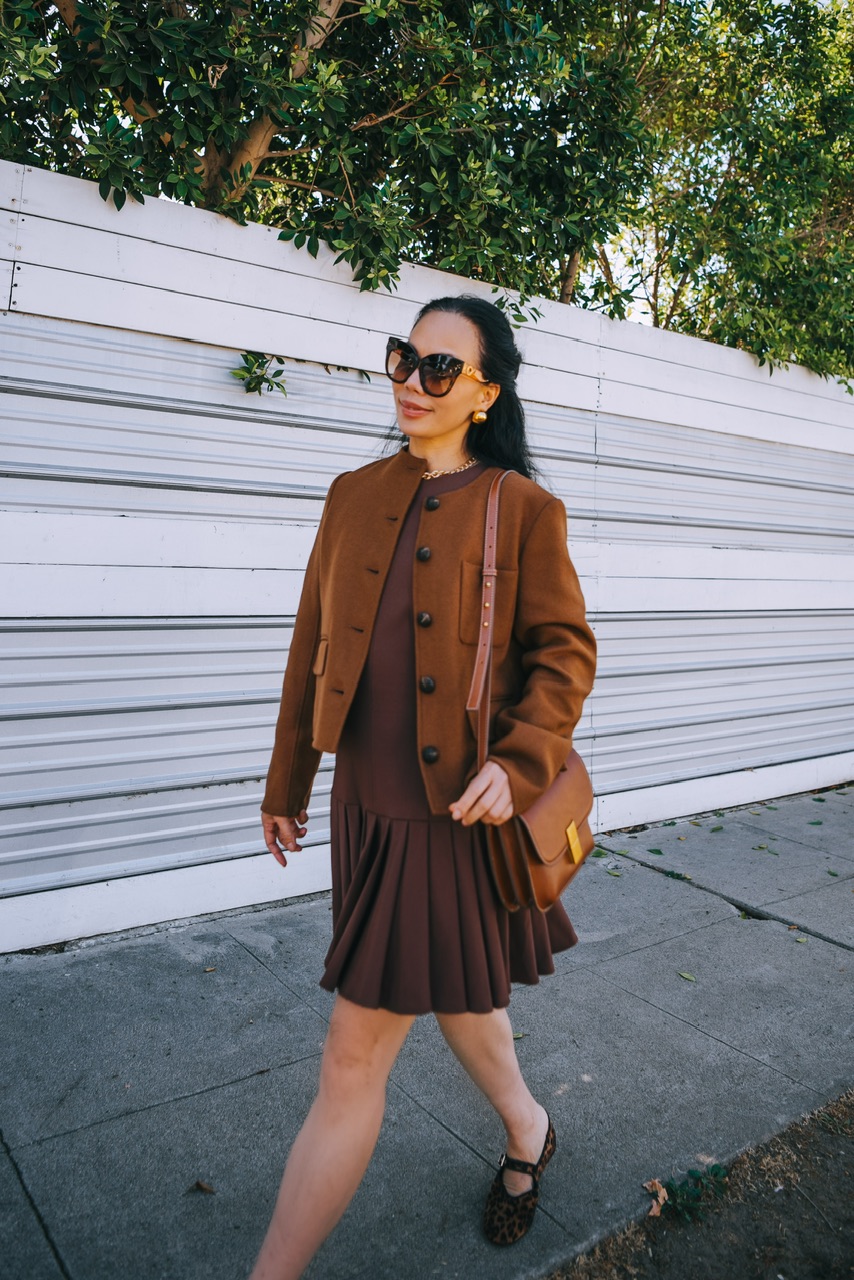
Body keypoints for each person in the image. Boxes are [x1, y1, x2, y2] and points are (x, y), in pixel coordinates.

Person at [252, 295, 597, 1279]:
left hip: (451, 813)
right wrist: (289, 779)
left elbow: (563, 655)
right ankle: (528, 1127)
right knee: (452, 993)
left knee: (350, 1057)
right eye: (403, 357)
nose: (411, 379)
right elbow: (309, 644)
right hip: (364, 804)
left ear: (483, 392)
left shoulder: (523, 508)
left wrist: (519, 758)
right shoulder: (350, 490)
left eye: (439, 368)